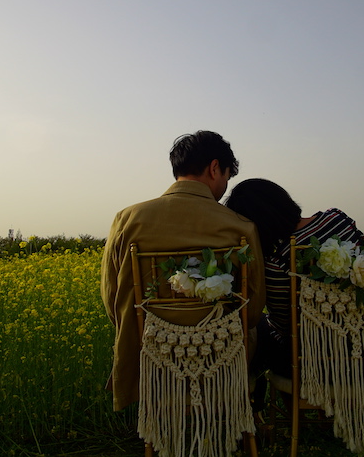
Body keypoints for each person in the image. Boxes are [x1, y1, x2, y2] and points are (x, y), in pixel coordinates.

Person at [100, 131, 265, 412]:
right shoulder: (241, 226)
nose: (225, 185)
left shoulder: (127, 219)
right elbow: (254, 306)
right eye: (226, 176)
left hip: (150, 355)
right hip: (220, 356)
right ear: (215, 168)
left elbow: (111, 298)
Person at [224, 178, 364, 376]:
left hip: (312, 361)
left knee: (255, 323)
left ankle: (258, 393)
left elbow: (285, 325)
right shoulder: (339, 220)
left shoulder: (277, 262)